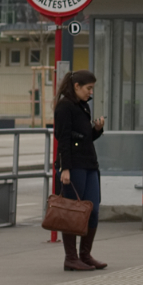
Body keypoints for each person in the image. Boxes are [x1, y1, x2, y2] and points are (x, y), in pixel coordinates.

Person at [52, 70, 106, 272]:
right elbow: (63, 139)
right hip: (73, 165)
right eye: (88, 88)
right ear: (77, 86)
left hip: (89, 163)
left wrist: (96, 130)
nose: (90, 93)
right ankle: (71, 258)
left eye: (92, 88)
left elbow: (84, 138)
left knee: (92, 209)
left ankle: (85, 254)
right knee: (72, 212)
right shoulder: (65, 106)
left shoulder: (83, 106)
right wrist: (65, 168)